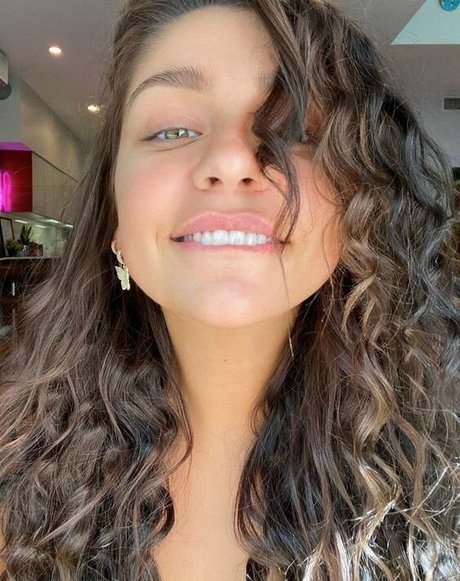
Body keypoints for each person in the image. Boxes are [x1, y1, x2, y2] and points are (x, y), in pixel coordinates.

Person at [0, 0, 458, 579]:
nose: (231, 159)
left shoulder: (442, 478)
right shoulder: (12, 469)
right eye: (172, 130)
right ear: (114, 215)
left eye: (293, 130)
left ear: (357, 205)